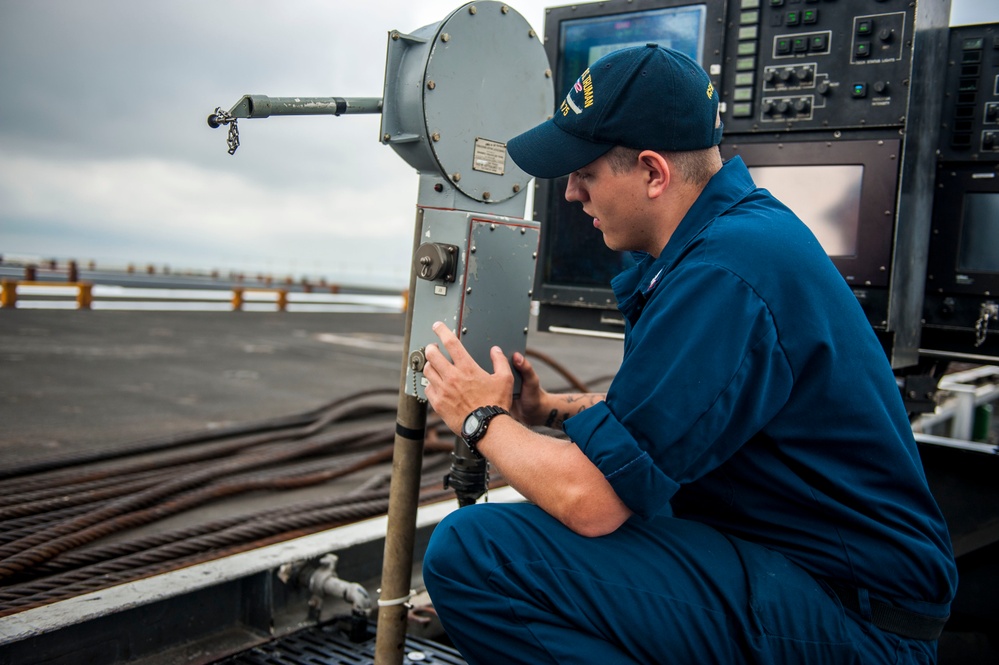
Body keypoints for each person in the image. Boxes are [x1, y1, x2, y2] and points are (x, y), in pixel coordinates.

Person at [419, 44, 957, 664]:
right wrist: (547, 409)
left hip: (853, 620)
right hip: (831, 587)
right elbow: (670, 424)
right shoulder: (739, 239)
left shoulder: (724, 272)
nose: (571, 194)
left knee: (474, 554)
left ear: (653, 172)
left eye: (585, 173)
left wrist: (479, 417)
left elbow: (590, 503)